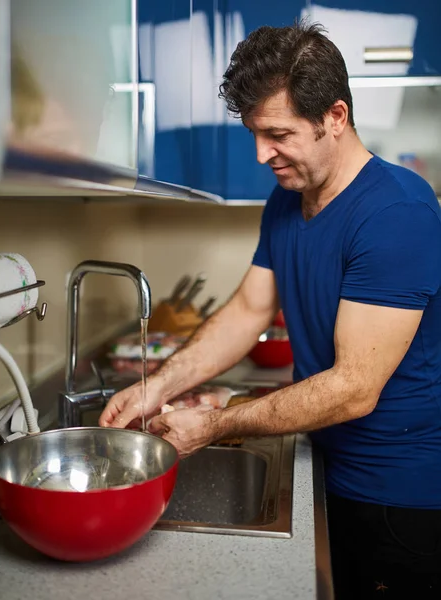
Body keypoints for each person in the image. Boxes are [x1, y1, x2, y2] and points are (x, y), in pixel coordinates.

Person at [100, 21, 441, 599]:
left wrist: (212, 426)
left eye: (278, 133)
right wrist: (156, 387)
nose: (262, 154)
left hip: (400, 492)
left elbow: (356, 388)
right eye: (255, 133)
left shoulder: (396, 212)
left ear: (335, 117)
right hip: (332, 459)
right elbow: (247, 311)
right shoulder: (289, 199)